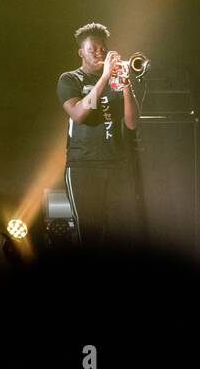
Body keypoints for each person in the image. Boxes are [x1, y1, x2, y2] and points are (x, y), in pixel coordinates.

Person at [56, 23, 141, 246]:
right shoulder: (70, 79)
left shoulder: (115, 80)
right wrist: (104, 79)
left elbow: (132, 123)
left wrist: (125, 86)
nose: (99, 53)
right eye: (92, 48)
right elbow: (79, 114)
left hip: (116, 164)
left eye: (103, 49)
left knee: (121, 236)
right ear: (80, 52)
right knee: (90, 237)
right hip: (83, 167)